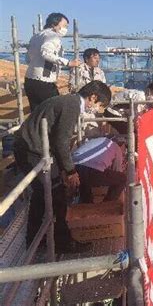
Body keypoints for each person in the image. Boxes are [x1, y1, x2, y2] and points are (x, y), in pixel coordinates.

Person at [14, 81, 111, 252]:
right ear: (93, 97)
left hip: (30, 147)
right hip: (31, 149)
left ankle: (36, 239)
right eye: (99, 105)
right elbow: (61, 141)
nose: (96, 110)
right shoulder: (72, 105)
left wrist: (64, 168)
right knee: (56, 194)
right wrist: (70, 171)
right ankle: (61, 242)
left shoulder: (67, 101)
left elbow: (57, 139)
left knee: (42, 194)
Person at [25, 12, 81, 111]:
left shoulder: (36, 36)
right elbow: (46, 53)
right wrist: (68, 63)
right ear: (54, 24)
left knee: (36, 114)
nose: (65, 29)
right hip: (44, 82)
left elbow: (28, 58)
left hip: (30, 79)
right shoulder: (53, 36)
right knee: (55, 111)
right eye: (64, 26)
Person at [72, 136, 126, 203]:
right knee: (122, 178)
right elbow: (117, 172)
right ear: (122, 145)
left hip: (74, 168)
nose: (124, 153)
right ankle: (106, 207)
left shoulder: (101, 141)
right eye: (125, 149)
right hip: (89, 169)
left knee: (86, 189)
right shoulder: (116, 147)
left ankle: (87, 206)